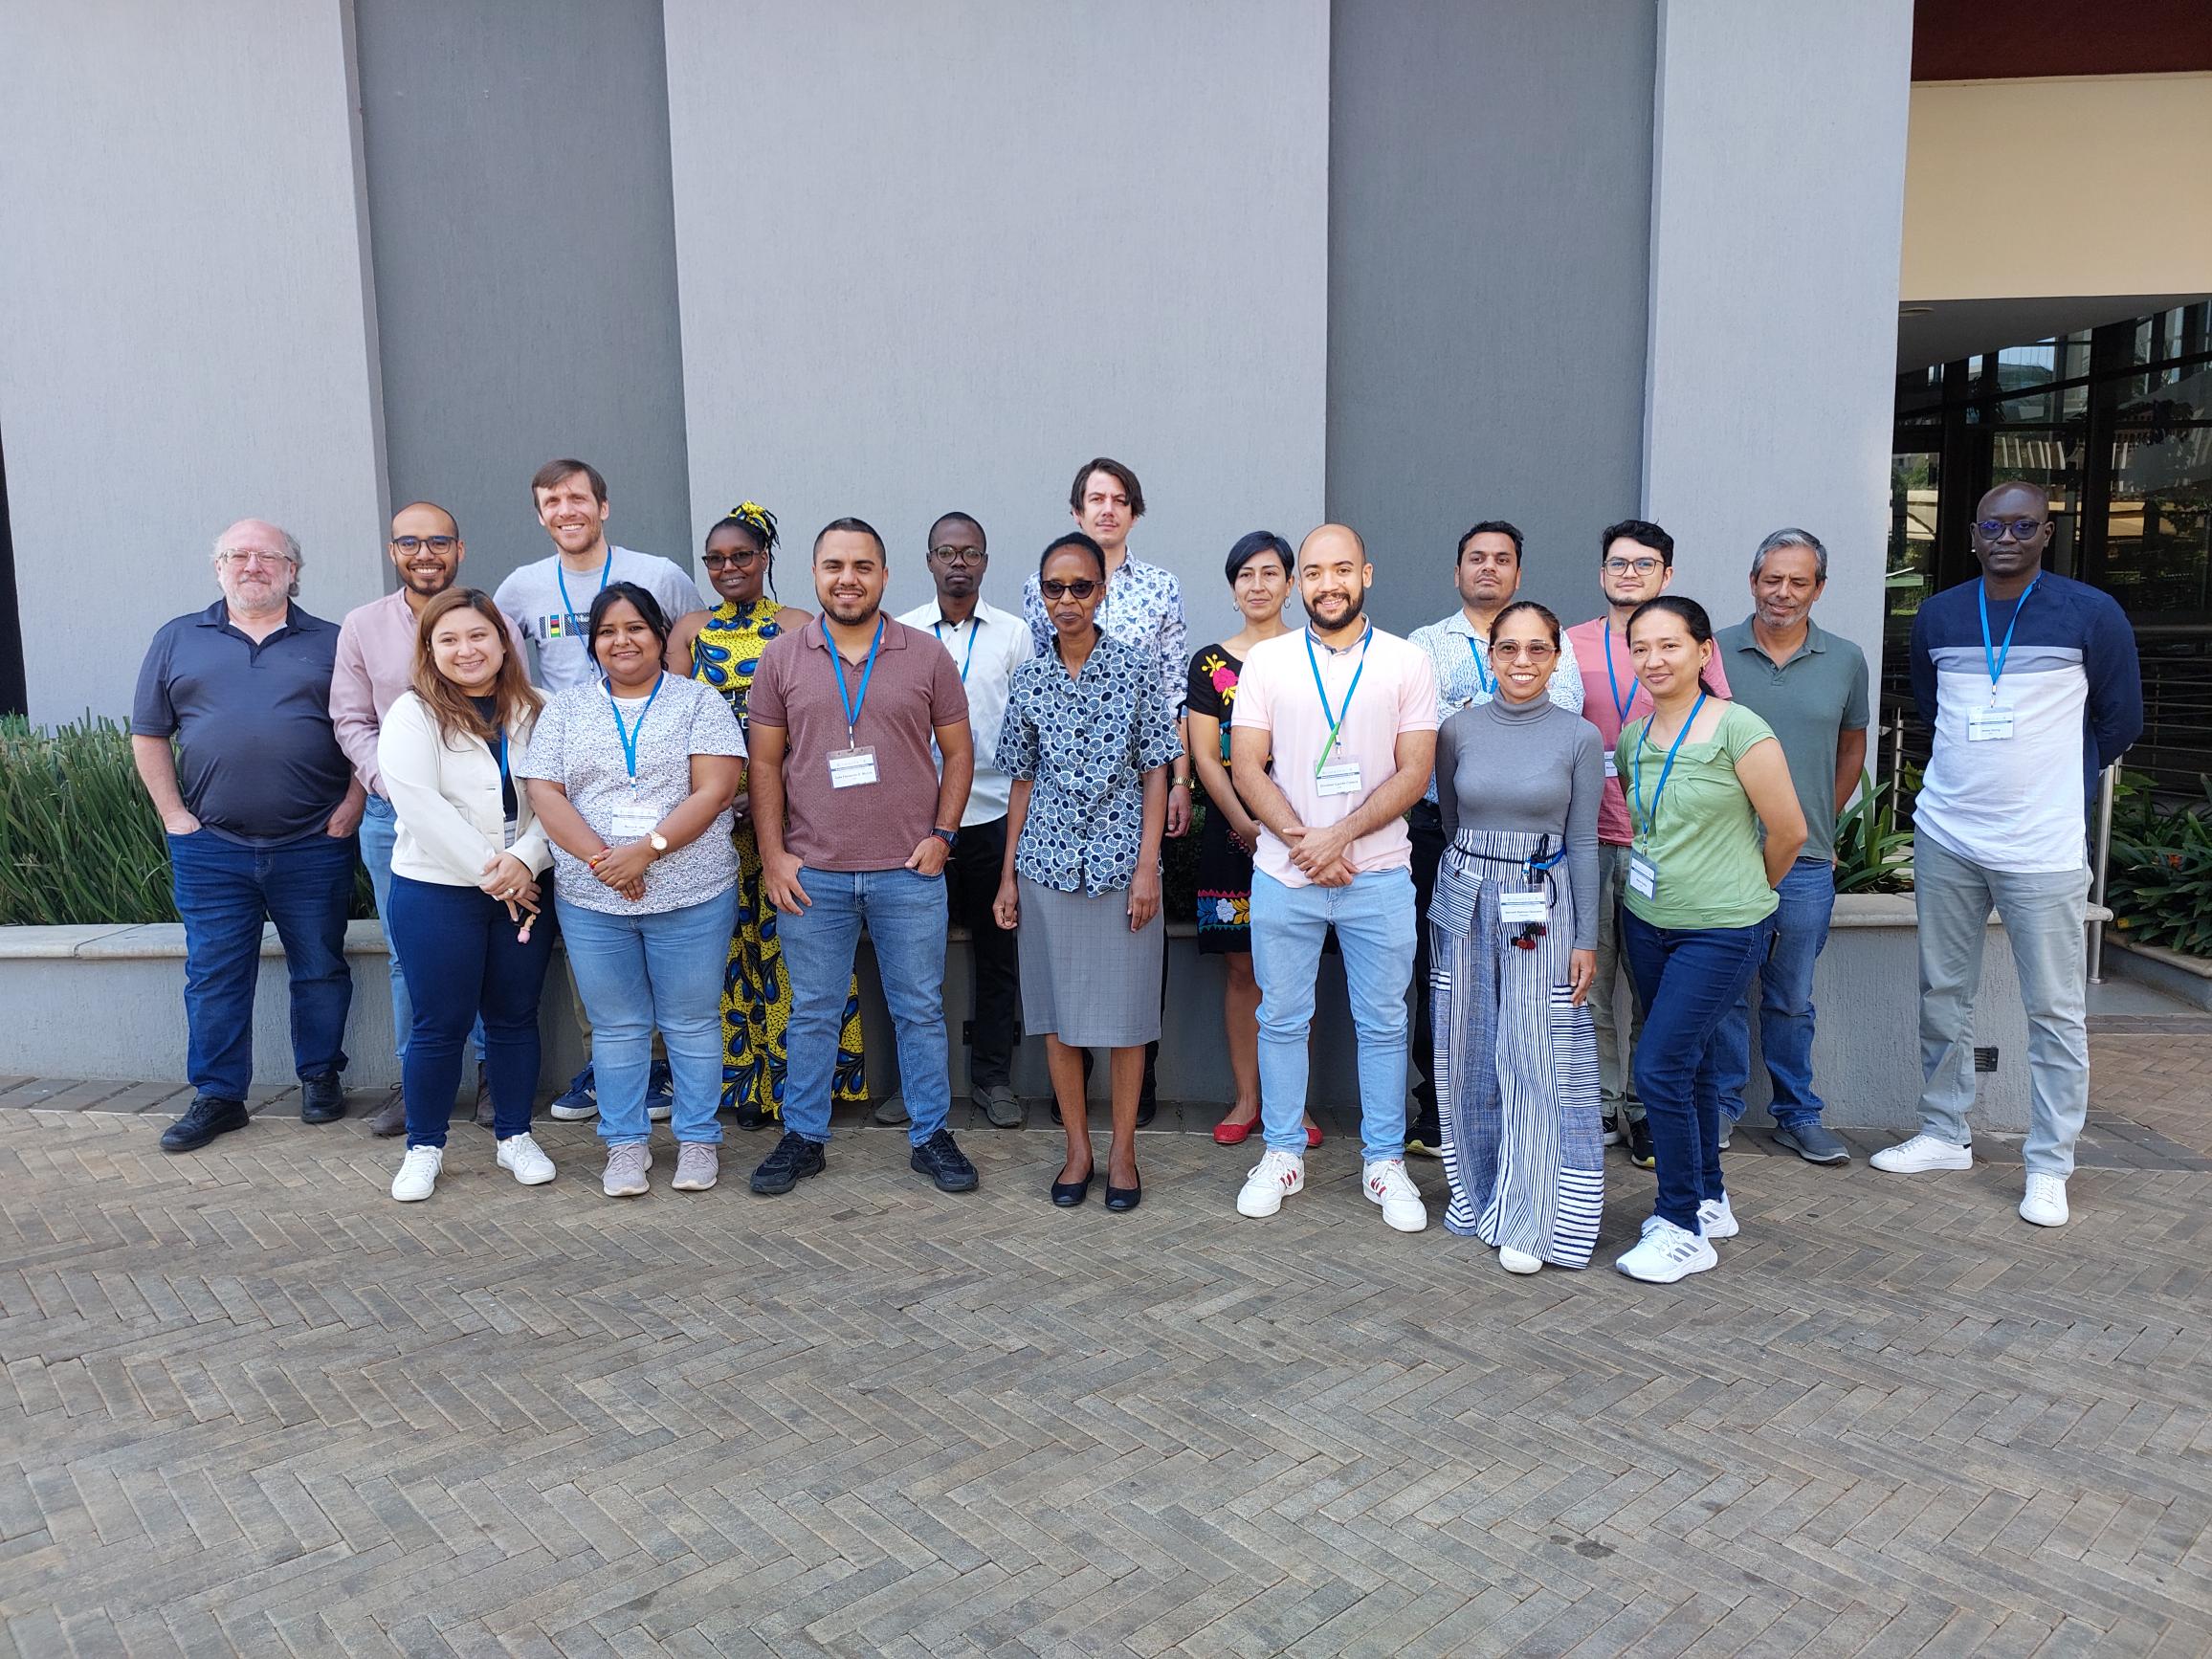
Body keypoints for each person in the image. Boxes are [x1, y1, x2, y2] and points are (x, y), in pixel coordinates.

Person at [1873, 481, 2142, 1228]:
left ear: (2045, 532)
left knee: (2054, 1010)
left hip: (2043, 845)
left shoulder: (2092, 614)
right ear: (1971, 533)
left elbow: (2120, 720)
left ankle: (2051, 1162)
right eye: (1994, 524)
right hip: (1949, 835)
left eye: (2023, 525)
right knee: (1942, 992)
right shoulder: (1939, 614)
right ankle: (1942, 1132)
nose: (2008, 537)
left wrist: (2057, 783)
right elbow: (1933, 707)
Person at [745, 518, 981, 1198]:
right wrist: (774, 855)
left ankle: (932, 1134)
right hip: (812, 872)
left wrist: (943, 835)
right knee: (814, 1011)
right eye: (833, 566)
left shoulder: (925, 655)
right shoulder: (782, 658)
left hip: (908, 870)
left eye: (862, 566)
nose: (847, 578)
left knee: (919, 1009)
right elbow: (764, 764)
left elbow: (959, 752)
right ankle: (804, 1138)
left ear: (884, 574)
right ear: (815, 574)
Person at [1228, 524, 1439, 1233]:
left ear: (1366, 575)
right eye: (1314, 572)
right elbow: (1247, 765)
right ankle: (1283, 1152)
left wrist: (1339, 837)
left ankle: (1384, 1162)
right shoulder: (1269, 662)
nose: (1328, 584)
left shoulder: (1408, 662)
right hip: (1285, 876)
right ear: (1298, 583)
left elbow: (1415, 771)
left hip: (1377, 875)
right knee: (1280, 1018)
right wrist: (1304, 843)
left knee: (1382, 1021)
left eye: (1342, 569)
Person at [132, 520, 365, 1152]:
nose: (253, 565)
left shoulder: (334, 642)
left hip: (314, 842)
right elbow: (149, 735)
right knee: (213, 974)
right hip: (211, 847)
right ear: (218, 568)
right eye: (238, 555)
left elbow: (362, 729)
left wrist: (351, 806)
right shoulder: (178, 638)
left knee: (319, 966)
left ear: (294, 570)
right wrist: (173, 816)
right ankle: (218, 1097)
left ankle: (320, 1080)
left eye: (269, 556)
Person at [494, 457, 710, 1121]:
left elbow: (695, 641)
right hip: (572, 780)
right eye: (551, 501)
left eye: (578, 498)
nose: (567, 510)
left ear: (603, 506)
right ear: (540, 514)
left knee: (676, 934)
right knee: (594, 925)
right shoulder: (523, 587)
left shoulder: (659, 574)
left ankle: (670, 1075)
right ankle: (609, 1069)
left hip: (658, 770)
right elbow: (499, 661)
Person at [516, 583, 745, 1197]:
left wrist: (646, 851)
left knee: (692, 1022)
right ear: (593, 643)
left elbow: (715, 789)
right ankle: (625, 1145)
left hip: (692, 893)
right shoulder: (565, 710)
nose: (623, 641)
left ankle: (698, 1140)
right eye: (608, 631)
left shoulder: (699, 702)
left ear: (660, 634)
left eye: (636, 628)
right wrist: (603, 861)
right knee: (617, 1026)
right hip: (594, 900)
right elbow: (545, 793)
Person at [1612, 597, 1806, 1283]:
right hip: (1646, 918)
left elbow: (1788, 832)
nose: (1654, 660)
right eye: (1640, 648)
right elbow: (1650, 830)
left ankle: (1680, 1225)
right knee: (1688, 1065)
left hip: (1721, 930)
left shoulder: (1739, 730)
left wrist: (1744, 892)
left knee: (1658, 1067)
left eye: (1669, 645)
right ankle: (1710, 1196)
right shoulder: (1635, 738)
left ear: (1703, 652)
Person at [993, 533, 1180, 1209]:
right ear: (1040, 595)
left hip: (1121, 868)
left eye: (1080, 586)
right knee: (1058, 1019)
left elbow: (1157, 773)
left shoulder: (1134, 670)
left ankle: (1123, 1152)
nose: (1066, 599)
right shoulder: (1031, 677)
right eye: (1054, 588)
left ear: (1102, 591)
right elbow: (1021, 779)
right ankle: (1078, 1149)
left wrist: (1148, 868)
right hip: (1045, 869)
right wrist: (1009, 876)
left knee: (1128, 1020)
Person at [671, 502, 868, 1130]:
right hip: (712, 816)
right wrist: (709, 793)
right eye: (717, 559)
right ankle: (750, 1086)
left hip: (790, 810)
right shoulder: (689, 630)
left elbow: (827, 720)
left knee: (796, 944)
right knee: (731, 947)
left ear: (765, 560)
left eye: (742, 556)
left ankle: (801, 1085)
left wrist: (765, 787)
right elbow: (671, 721)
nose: (728, 567)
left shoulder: (799, 624)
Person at [333, 500, 525, 1138]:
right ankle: (417, 1087)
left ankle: (496, 1082)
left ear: (458, 549)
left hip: (506, 829)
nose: (424, 553)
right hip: (403, 819)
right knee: (410, 961)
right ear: (393, 552)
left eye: (437, 541)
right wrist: (392, 782)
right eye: (409, 542)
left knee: (500, 967)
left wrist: (517, 859)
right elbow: (352, 719)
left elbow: (524, 715)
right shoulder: (363, 626)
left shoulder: (492, 616)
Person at [1430, 601, 1604, 1272]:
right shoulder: (1457, 730)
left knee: (1533, 1053)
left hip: (1542, 902)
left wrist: (1586, 935)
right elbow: (1450, 816)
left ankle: (1531, 1216)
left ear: (1557, 656)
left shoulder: (1579, 737)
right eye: (1509, 649)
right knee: (1466, 1046)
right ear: (1491, 654)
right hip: (1467, 895)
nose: (1523, 662)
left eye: (1538, 649)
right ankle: (1477, 1196)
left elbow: (1584, 842)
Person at [1405, 520, 1584, 1158]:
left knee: (1525, 981)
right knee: (1444, 975)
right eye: (1476, 558)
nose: (1488, 568)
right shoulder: (1424, 643)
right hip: (1444, 838)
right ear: (1458, 571)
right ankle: (1439, 1105)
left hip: (1535, 854)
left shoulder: (1544, 638)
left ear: (1517, 572)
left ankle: (1519, 1102)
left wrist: (1470, 707)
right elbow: (1424, 728)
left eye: (1502, 559)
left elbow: (1559, 715)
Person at [376, 588, 560, 1201]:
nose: (466, 649)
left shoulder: (540, 709)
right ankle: (423, 1147)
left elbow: (558, 800)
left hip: (525, 883)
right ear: (430, 650)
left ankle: (514, 1137)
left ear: (503, 641)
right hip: (437, 891)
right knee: (439, 1024)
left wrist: (524, 861)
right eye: (448, 639)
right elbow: (421, 808)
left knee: (513, 1018)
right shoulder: (412, 714)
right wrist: (499, 872)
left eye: (478, 636)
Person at [1022, 457, 1190, 1121]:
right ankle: (1077, 1127)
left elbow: (1173, 688)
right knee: (1062, 995)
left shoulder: (1160, 587)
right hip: (1059, 827)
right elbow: (1040, 699)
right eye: (1095, 498)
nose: (1107, 509)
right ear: (1077, 510)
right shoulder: (1046, 583)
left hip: (1129, 817)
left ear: (1134, 512)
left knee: (1130, 975)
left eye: (1120, 499)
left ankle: (1131, 1110)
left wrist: (1180, 781)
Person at [1562, 520, 1732, 1168]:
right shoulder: (1570, 643)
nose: (1628, 573)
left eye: (1643, 564)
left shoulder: (1690, 646)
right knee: (1593, 979)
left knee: (1657, 985)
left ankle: (1646, 1109)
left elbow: (1711, 734)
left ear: (1668, 574)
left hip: (1662, 844)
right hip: (1587, 836)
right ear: (1601, 571)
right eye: (1617, 563)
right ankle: (1603, 1100)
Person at [1712, 528, 1869, 1166]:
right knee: (1721, 990)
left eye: (1798, 581)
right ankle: (1719, 1107)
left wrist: (1818, 823)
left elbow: (1852, 745)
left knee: (1790, 994)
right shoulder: (1713, 653)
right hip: (1721, 857)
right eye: (1772, 579)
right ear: (1753, 582)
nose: (1783, 592)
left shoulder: (1847, 659)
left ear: (1819, 588)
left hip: (1804, 862)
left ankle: (1797, 1113)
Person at [893, 511, 1035, 1129]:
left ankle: (993, 1079)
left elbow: (1028, 726)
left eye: (969, 552)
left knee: (997, 954)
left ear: (984, 561)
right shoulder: (899, 632)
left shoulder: (1014, 634)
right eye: (946, 552)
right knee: (911, 960)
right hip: (916, 822)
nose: (958, 562)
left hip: (993, 816)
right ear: (928, 561)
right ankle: (915, 1083)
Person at [1185, 533, 1317, 1149]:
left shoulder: (1315, 653)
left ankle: (1296, 1103)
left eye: (1270, 573)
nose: (1258, 585)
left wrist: (1290, 827)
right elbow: (1207, 757)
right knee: (1242, 970)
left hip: (1305, 835)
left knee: (1294, 973)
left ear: (1292, 583)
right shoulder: (1211, 663)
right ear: (1233, 586)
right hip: (1235, 836)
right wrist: (1242, 821)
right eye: (1245, 574)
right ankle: (1248, 1099)